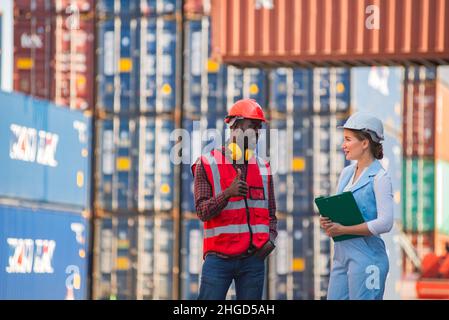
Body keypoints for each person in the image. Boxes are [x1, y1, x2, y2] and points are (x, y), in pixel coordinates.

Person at [191, 98, 277, 300]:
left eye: (258, 127)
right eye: (251, 126)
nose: (256, 132)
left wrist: (270, 239)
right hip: (218, 260)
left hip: (253, 260)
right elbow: (202, 211)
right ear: (235, 126)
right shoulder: (207, 164)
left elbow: (271, 213)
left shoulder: (264, 168)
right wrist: (227, 194)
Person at [320, 112, 394, 300]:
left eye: (348, 139)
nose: (343, 145)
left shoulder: (380, 178)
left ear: (365, 142)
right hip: (342, 256)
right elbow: (341, 209)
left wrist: (344, 229)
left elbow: (386, 223)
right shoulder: (346, 173)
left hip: (369, 260)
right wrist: (329, 222)